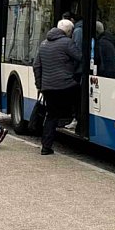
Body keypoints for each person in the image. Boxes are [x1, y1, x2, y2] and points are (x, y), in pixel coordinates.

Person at [34, 19, 81, 155]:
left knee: (52, 115)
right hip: (66, 85)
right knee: (80, 96)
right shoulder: (67, 43)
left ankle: (46, 147)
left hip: (48, 87)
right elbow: (80, 57)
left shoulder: (43, 44)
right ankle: (77, 121)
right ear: (68, 31)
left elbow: (36, 66)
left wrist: (40, 85)